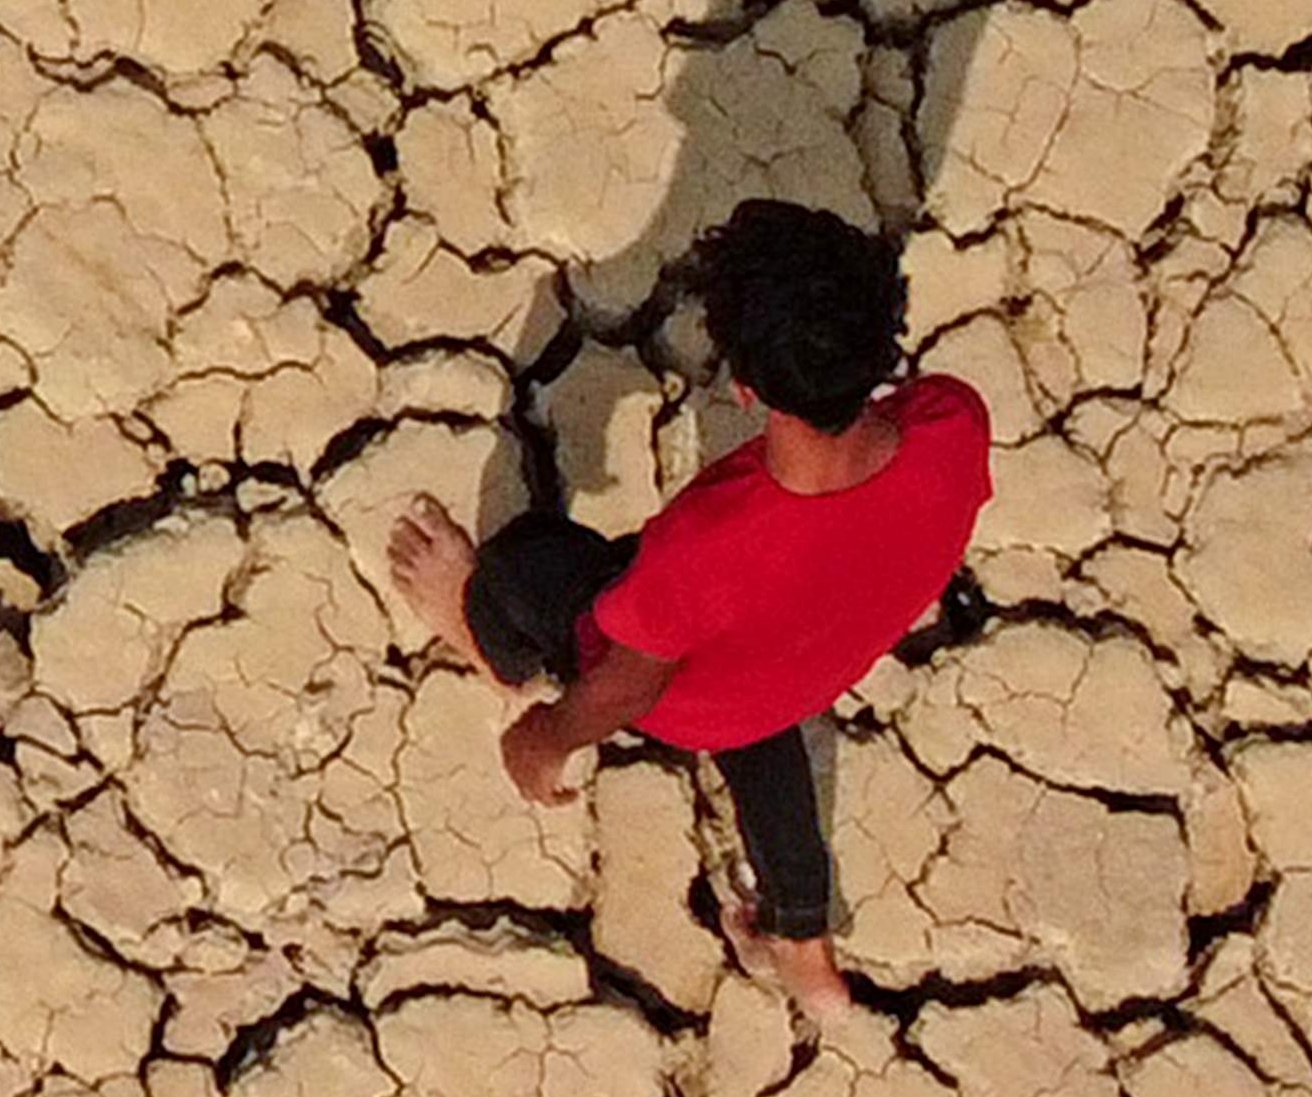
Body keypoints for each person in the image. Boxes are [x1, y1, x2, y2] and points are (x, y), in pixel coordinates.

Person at [382, 197, 989, 1023]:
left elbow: (628, 685)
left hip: (699, 696)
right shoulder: (952, 419)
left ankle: (484, 639)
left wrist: (543, 740)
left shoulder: (709, 547)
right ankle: (805, 959)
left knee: (529, 562)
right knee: (768, 747)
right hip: (813, 659)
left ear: (742, 387)